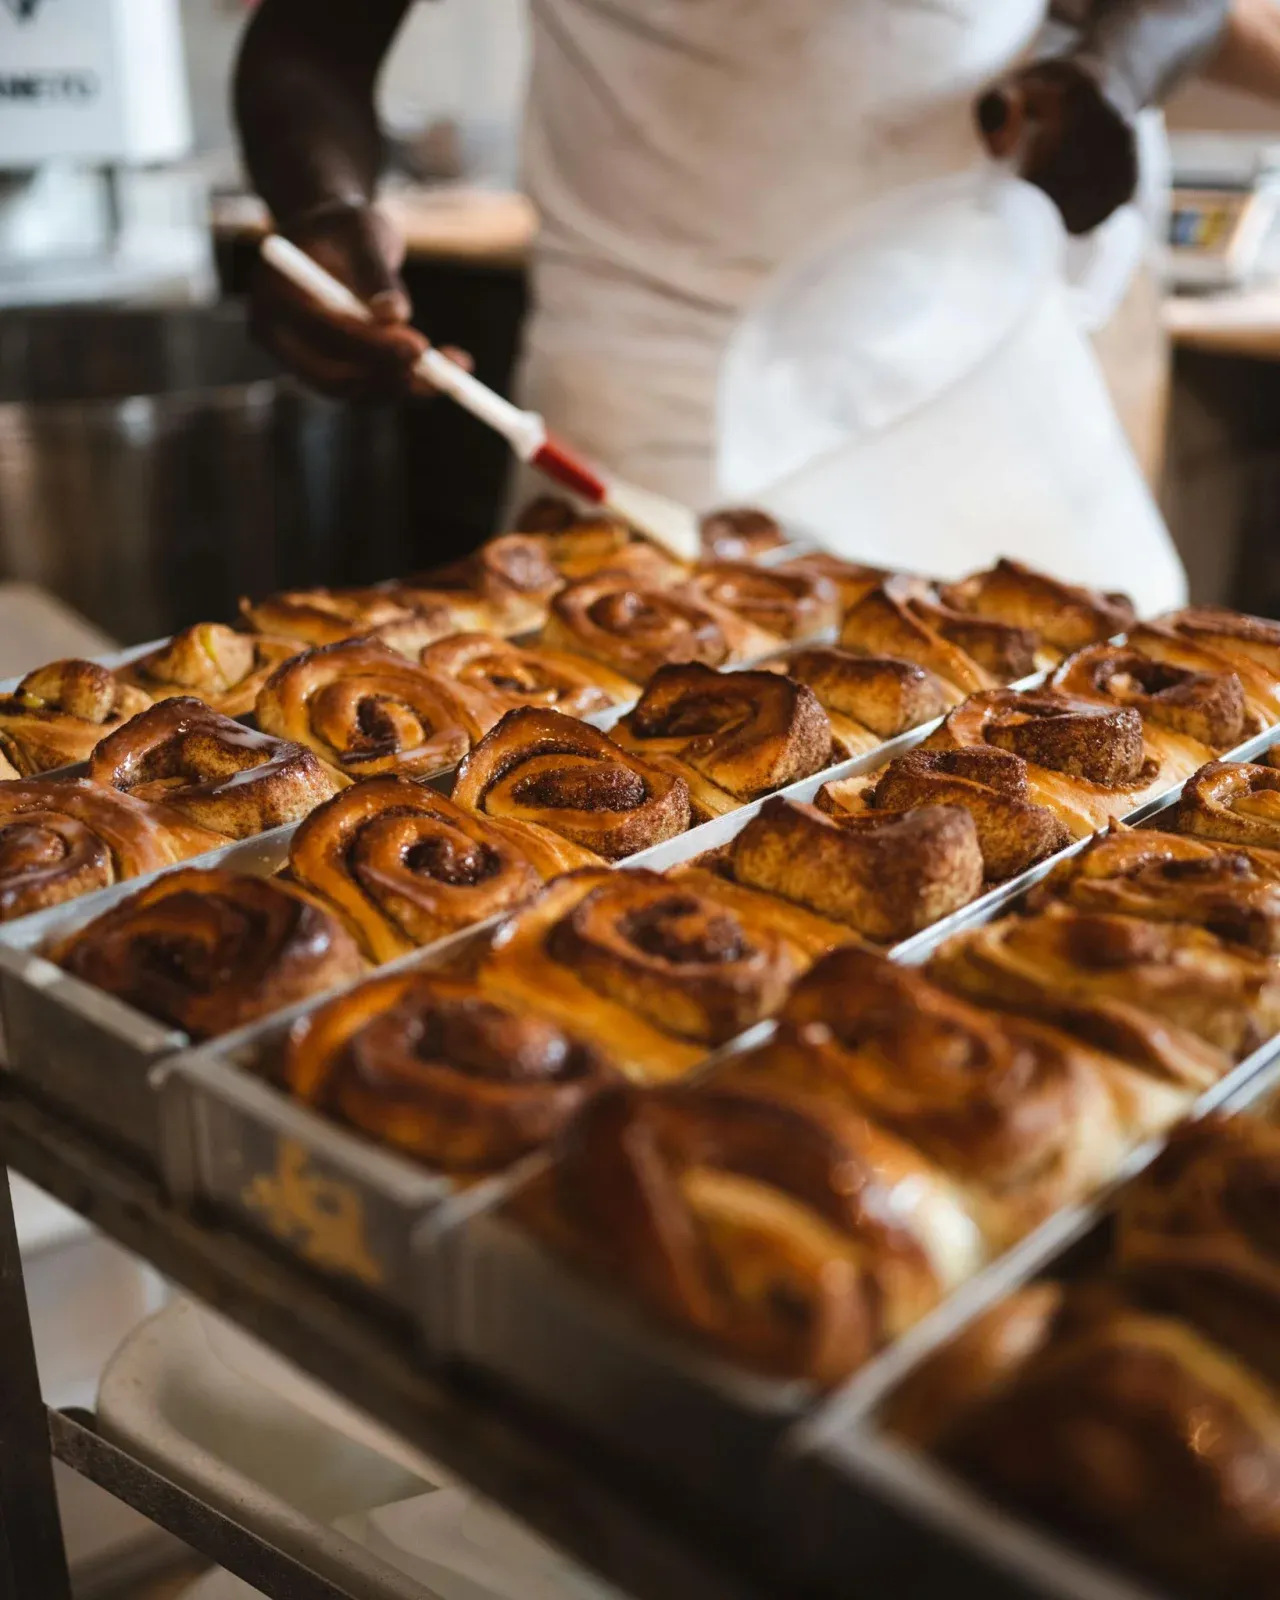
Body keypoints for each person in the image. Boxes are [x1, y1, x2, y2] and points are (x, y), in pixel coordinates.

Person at [236, 0, 1230, 515]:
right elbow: (313, 38)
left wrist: (1110, 69)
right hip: (647, 402)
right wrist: (319, 206)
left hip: (980, 379)